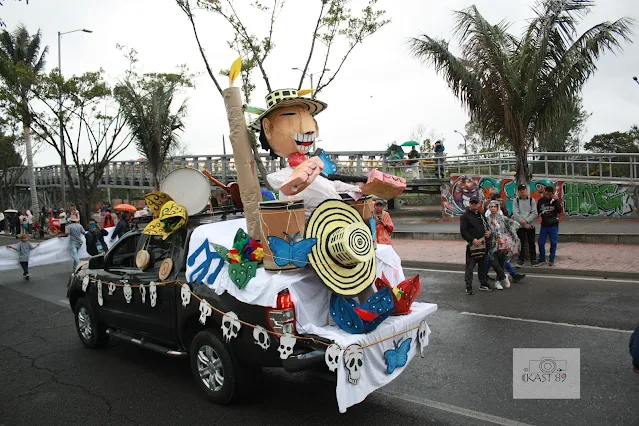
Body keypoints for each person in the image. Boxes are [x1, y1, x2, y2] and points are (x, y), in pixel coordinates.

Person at [460, 195, 492, 295]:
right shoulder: (465, 216)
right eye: (472, 203)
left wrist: (489, 233)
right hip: (472, 245)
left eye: (475, 203)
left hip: (483, 244)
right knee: (470, 266)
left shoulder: (481, 214)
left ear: (479, 204)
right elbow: (463, 231)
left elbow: (487, 226)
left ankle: (483, 283)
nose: (474, 204)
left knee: (483, 265)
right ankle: (468, 286)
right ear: (469, 203)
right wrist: (472, 239)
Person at [485, 200, 510, 290]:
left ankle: (497, 281)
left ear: (498, 208)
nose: (493, 208)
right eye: (491, 207)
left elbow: (508, 230)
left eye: (494, 207)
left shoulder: (503, 218)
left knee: (501, 263)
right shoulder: (486, 219)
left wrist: (509, 242)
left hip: (502, 244)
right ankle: (504, 277)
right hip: (491, 245)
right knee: (494, 263)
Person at [536, 186, 562, 266]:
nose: (548, 196)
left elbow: (559, 210)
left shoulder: (555, 200)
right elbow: (538, 210)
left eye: (549, 195)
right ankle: (542, 258)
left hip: (553, 225)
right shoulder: (541, 201)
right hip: (544, 224)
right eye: (546, 194)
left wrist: (556, 201)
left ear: (552, 194)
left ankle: (552, 259)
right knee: (541, 243)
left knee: (553, 242)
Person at [512, 184, 538, 266]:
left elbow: (534, 213)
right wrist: (523, 222)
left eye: (524, 190)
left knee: (531, 243)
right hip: (520, 226)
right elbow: (516, 213)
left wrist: (527, 221)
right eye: (520, 190)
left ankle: (533, 259)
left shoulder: (532, 200)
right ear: (518, 192)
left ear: (526, 190)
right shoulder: (516, 201)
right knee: (521, 243)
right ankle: (520, 259)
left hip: (530, 225)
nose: (522, 192)